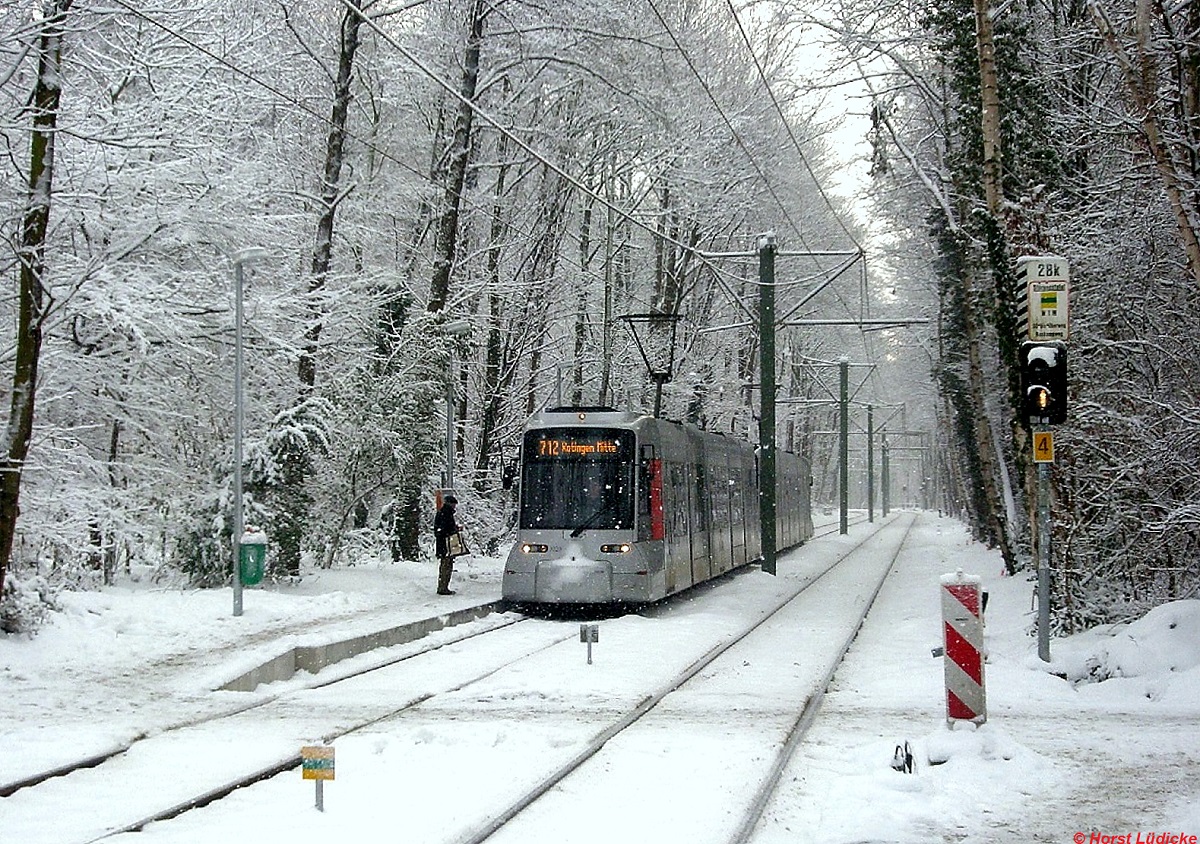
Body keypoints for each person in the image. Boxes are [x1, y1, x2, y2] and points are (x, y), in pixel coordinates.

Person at [433, 494, 460, 595]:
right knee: (446, 566)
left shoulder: (442, 513)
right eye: (453, 504)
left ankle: (443, 586)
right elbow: (444, 530)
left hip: (443, 545)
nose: (454, 507)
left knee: (445, 565)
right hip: (446, 545)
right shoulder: (446, 514)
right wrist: (454, 530)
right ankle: (443, 587)